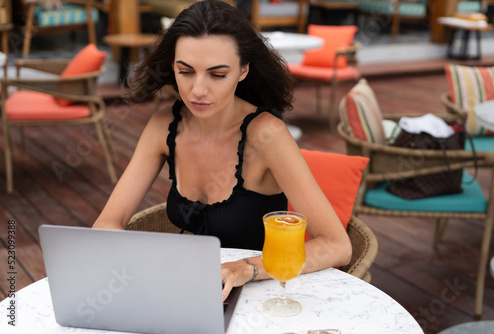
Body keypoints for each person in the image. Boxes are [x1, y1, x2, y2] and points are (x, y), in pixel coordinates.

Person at [93, 0, 352, 301]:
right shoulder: (163, 126)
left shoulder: (266, 135)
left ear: (243, 71)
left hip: (262, 293)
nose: (197, 90)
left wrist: (245, 268)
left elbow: (337, 245)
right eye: (186, 72)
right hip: (191, 289)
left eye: (217, 75)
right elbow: (107, 222)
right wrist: (140, 260)